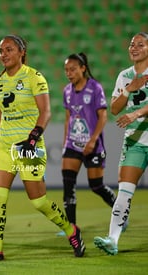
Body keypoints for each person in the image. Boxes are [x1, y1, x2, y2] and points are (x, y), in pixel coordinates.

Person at [0, 34, 86, 262]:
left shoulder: (34, 78)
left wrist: (33, 137)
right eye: (1, 51)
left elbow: (45, 112)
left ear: (21, 52)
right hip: (5, 146)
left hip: (29, 146)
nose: (3, 55)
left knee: (38, 201)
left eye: (8, 50)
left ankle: (70, 230)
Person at [94, 32, 148, 255]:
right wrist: (129, 88)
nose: (134, 47)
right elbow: (115, 109)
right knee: (124, 192)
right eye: (131, 44)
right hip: (135, 141)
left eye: (140, 44)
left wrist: (136, 115)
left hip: (139, 128)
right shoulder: (124, 75)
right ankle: (113, 241)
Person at [61, 53, 117, 228]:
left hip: (92, 145)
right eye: (66, 70)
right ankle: (71, 227)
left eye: (73, 69)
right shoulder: (67, 91)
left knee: (96, 186)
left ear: (83, 68)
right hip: (73, 144)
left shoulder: (95, 88)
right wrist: (65, 142)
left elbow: (103, 116)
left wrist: (92, 141)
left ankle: (119, 210)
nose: (69, 73)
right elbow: (68, 117)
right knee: (68, 184)